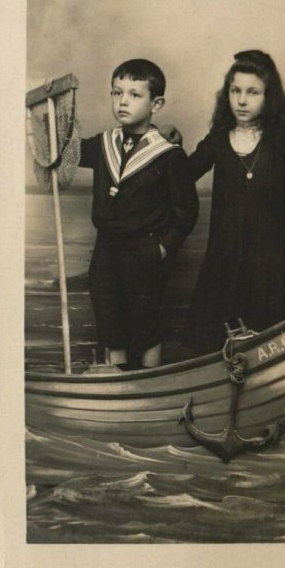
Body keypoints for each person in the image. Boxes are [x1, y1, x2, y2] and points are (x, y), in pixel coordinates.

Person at [182, 49, 285, 354]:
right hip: (226, 261)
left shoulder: (281, 137)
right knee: (218, 351)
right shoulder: (218, 138)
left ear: (268, 96)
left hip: (275, 262)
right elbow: (181, 176)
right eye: (235, 91)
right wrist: (164, 141)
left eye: (253, 92)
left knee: (281, 347)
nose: (242, 100)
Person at [78, 58, 199, 369]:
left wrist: (161, 248)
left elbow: (185, 212)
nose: (123, 101)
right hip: (106, 251)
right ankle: (118, 387)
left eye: (134, 94)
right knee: (111, 323)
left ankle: (150, 386)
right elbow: (65, 152)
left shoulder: (168, 155)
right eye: (117, 93)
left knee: (146, 327)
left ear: (155, 103)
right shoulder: (103, 144)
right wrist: (50, 113)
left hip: (144, 252)